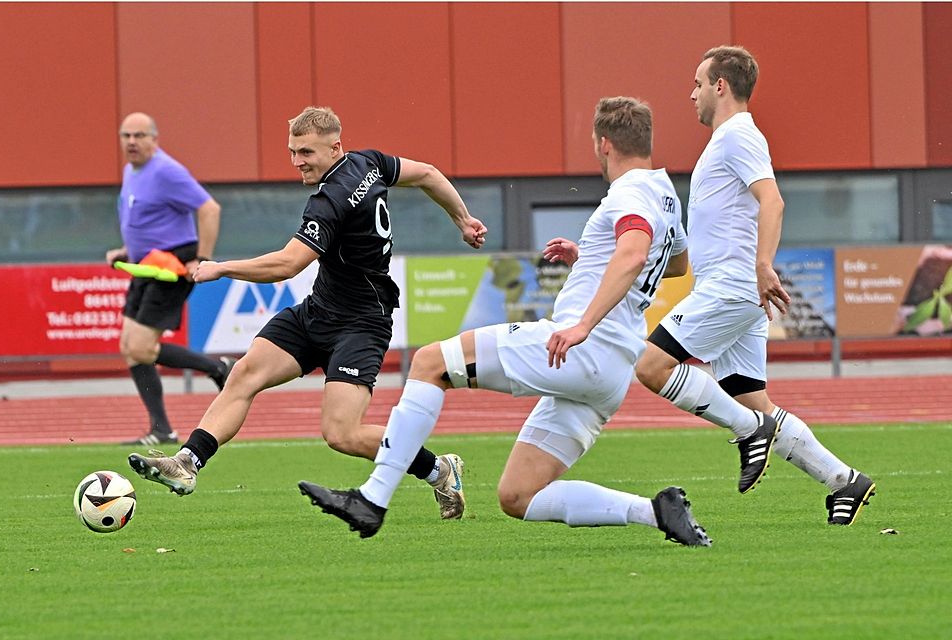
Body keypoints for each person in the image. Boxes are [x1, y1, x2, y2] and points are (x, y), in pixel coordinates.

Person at [299, 97, 711, 547]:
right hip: (612, 371)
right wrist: (589, 257)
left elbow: (634, 252)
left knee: (429, 363)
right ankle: (657, 512)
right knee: (519, 495)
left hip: (578, 348)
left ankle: (372, 500)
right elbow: (672, 265)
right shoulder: (665, 193)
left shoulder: (629, 193)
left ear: (603, 143)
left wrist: (582, 325)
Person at [127, 106, 487, 520]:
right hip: (319, 311)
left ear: (335, 147)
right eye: (292, 151)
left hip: (362, 324)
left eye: (306, 153)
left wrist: (222, 267)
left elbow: (287, 264)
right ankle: (187, 463)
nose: (297, 161)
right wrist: (462, 219)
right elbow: (426, 173)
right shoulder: (367, 161)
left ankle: (440, 470)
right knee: (245, 373)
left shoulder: (330, 199)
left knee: (342, 434)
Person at [634, 46, 875, 525]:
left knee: (651, 365)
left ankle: (751, 432)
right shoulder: (726, 140)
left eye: (697, 84)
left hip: (732, 286)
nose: (692, 95)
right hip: (733, 288)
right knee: (750, 399)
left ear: (720, 85)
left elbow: (773, 201)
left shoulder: (738, 135)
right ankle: (844, 481)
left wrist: (764, 265)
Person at [109, 112, 235, 446]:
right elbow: (143, 218)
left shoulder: (167, 170)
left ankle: (219, 368)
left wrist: (202, 259)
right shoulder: (131, 170)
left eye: (139, 135)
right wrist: (126, 249)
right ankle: (162, 429)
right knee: (131, 348)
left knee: (141, 346)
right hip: (144, 265)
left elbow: (210, 209)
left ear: (154, 138)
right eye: (126, 136)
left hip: (171, 266)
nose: (132, 142)